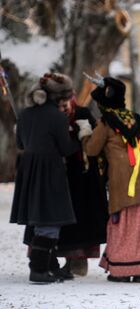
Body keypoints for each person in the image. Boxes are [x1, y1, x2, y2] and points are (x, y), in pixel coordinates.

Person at [79, 76, 140, 283]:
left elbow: (92, 149)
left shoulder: (106, 123)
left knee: (125, 225)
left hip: (123, 182)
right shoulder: (137, 118)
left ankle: (122, 270)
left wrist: (85, 133)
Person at [23, 95, 109, 277]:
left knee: (79, 220)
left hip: (81, 177)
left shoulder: (83, 113)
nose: (64, 106)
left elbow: (94, 144)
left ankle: (75, 261)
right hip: (53, 173)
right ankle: (48, 262)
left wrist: (84, 136)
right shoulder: (49, 115)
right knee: (51, 220)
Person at [10, 73, 80, 283]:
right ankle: (39, 269)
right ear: (58, 97)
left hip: (28, 168)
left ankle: (50, 266)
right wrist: (81, 137)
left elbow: (21, 144)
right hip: (49, 168)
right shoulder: (58, 117)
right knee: (50, 218)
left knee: (39, 217)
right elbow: (66, 149)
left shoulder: (24, 114)